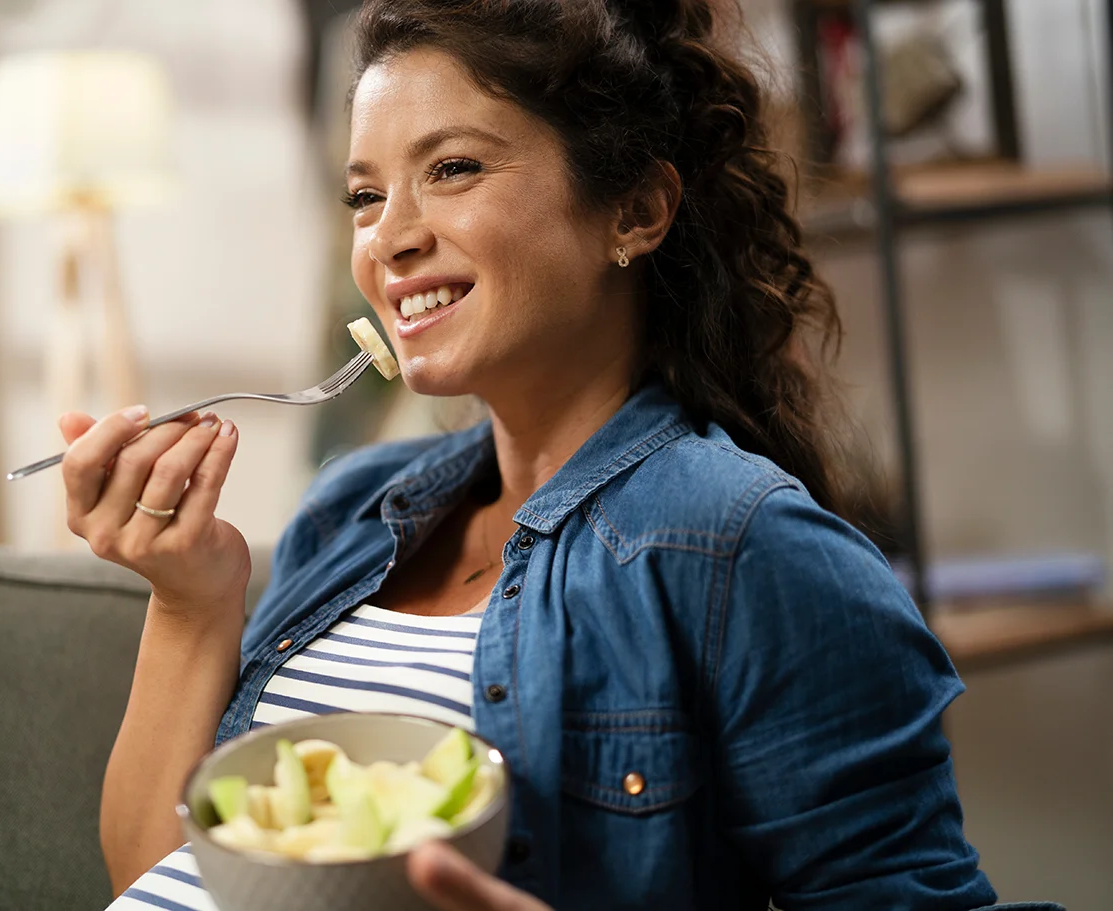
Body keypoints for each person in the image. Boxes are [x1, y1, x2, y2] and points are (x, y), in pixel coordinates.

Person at [61, 2, 1054, 909]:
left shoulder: (741, 541)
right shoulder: (351, 508)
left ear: (634, 211)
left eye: (451, 168)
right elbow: (160, 873)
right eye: (365, 196)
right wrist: (191, 603)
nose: (389, 240)